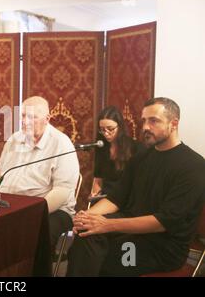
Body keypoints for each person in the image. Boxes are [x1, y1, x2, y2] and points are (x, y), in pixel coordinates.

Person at [67, 97, 205, 277]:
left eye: (153, 120)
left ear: (174, 123)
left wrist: (107, 224)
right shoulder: (141, 158)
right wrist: (88, 217)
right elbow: (116, 198)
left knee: (114, 256)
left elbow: (163, 222)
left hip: (162, 246)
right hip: (128, 229)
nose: (146, 126)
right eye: (144, 120)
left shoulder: (193, 165)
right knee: (85, 235)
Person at [0, 96, 80, 249]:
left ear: (47, 119)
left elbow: (62, 191)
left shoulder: (61, 144)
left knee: (33, 234)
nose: (25, 121)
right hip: (9, 206)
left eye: (32, 117)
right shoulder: (14, 139)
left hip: (49, 210)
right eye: (23, 116)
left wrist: (30, 213)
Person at [90, 106, 144, 202]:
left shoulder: (134, 148)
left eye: (110, 129)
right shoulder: (101, 147)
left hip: (125, 199)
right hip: (105, 198)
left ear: (120, 127)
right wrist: (95, 193)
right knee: (83, 216)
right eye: (102, 129)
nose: (106, 133)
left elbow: (138, 182)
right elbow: (98, 178)